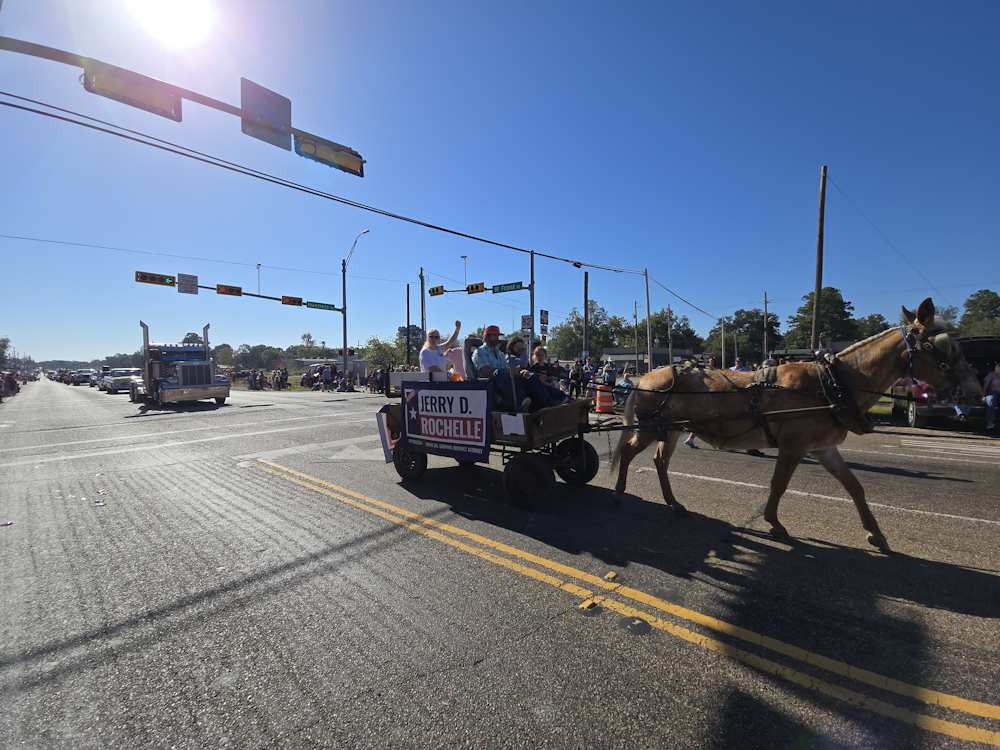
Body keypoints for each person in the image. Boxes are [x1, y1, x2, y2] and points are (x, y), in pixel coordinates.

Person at [985, 363, 1000, 432]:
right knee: (989, 400)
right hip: (993, 391)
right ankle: (990, 423)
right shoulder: (991, 374)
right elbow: (985, 385)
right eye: (997, 367)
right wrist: (983, 394)